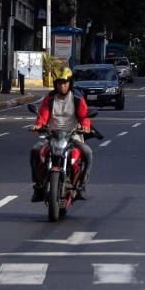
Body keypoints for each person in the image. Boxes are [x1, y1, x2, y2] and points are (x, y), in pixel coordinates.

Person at [30, 67, 92, 201]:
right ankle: (38, 186)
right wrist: (38, 125)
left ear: (70, 83)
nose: (62, 86)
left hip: (72, 135)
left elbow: (84, 116)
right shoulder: (50, 98)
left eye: (65, 82)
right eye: (59, 83)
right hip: (52, 136)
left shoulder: (77, 98)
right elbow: (43, 116)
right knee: (35, 150)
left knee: (87, 152)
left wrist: (85, 127)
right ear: (55, 84)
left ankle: (81, 186)